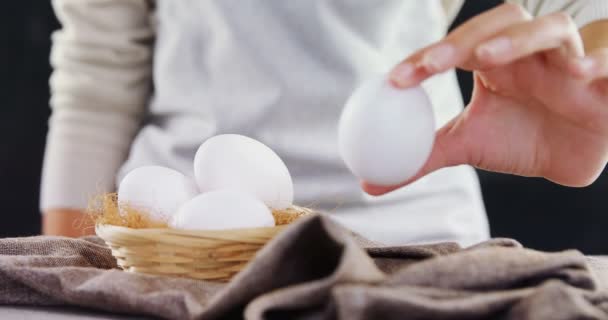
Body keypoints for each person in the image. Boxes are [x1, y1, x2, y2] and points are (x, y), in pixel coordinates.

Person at [41, 0, 608, 245]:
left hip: (420, 248)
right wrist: (69, 278)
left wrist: (589, 73)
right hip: (176, 247)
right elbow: (98, 74)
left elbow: (583, 15)